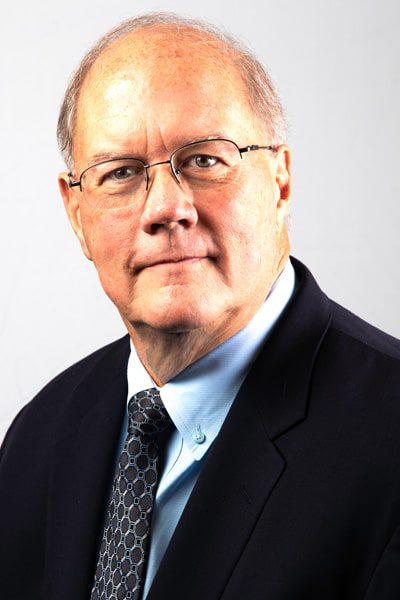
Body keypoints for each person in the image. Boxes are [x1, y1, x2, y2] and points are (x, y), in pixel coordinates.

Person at [1, 11, 400, 600]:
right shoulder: (39, 435)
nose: (166, 207)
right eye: (121, 173)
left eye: (204, 160)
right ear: (76, 215)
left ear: (280, 181)